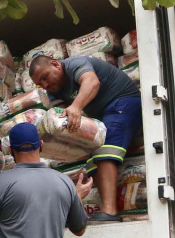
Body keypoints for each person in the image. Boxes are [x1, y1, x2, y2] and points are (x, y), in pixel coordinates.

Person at [29, 54, 142, 223]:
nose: (45, 85)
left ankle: (110, 211)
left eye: (45, 77)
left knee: (104, 152)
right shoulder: (53, 91)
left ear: (56, 64)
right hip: (103, 116)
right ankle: (107, 209)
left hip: (122, 102)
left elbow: (92, 82)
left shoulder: (75, 64)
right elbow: (61, 118)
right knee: (92, 163)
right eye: (40, 83)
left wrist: (76, 106)